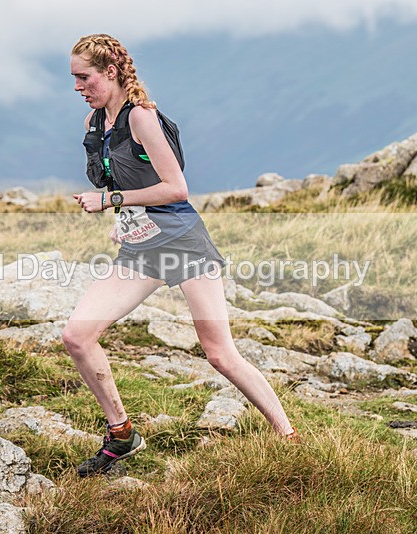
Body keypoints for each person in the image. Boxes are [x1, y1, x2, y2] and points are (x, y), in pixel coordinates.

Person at [64, 33, 298, 478]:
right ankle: (122, 434)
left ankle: (288, 436)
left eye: (84, 77)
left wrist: (110, 201)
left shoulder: (142, 118)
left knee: (219, 354)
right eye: (74, 78)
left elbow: (177, 189)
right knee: (77, 336)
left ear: (110, 71)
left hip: (183, 244)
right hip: (141, 249)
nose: (78, 86)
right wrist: (126, 215)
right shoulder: (96, 122)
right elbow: (132, 184)